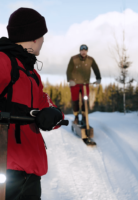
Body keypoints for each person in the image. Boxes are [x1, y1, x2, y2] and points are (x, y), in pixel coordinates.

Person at [0, 8, 64, 200]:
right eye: (42, 36)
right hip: (7, 165)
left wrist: (53, 113)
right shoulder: (3, 61)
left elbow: (44, 101)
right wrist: (9, 109)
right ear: (35, 37)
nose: (43, 41)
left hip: (31, 170)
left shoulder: (32, 74)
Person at [66, 44, 101, 124]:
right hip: (74, 84)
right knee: (75, 101)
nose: (83, 52)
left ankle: (84, 117)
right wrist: (70, 80)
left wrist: (98, 78)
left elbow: (96, 68)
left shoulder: (90, 59)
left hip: (85, 84)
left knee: (85, 101)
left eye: (85, 51)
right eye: (82, 51)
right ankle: (76, 117)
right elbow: (69, 70)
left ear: (87, 51)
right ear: (80, 51)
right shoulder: (74, 59)